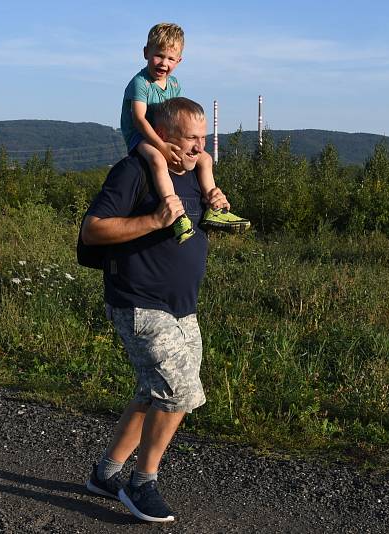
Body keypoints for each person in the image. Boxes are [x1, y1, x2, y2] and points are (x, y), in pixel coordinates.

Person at [82, 97, 220, 523]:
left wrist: (214, 206)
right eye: (190, 139)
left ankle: (106, 474)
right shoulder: (134, 171)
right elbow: (92, 230)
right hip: (138, 302)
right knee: (177, 390)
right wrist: (153, 221)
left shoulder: (194, 174)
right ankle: (142, 484)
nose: (199, 147)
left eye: (203, 138)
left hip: (182, 307)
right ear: (162, 136)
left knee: (152, 391)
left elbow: (191, 222)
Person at [120, 22, 249, 244]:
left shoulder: (174, 85)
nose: (164, 63)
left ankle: (214, 205)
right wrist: (162, 146)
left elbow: (177, 115)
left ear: (179, 61)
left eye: (171, 59)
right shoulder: (140, 82)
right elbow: (139, 120)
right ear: (146, 53)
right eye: (159, 56)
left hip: (164, 135)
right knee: (157, 160)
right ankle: (175, 211)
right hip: (140, 137)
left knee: (206, 158)